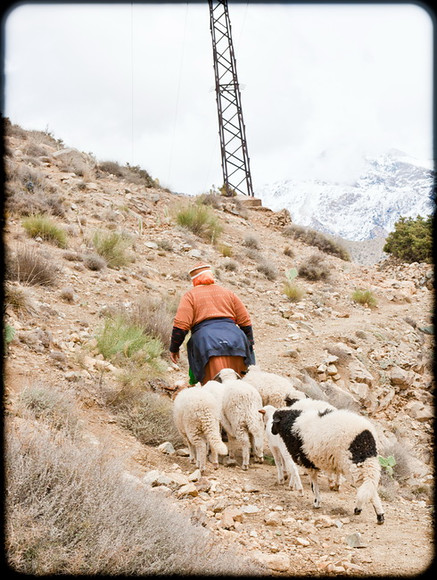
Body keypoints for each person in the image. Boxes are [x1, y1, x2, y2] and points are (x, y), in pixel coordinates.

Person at [169, 263, 255, 385]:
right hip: (237, 340)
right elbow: (245, 321)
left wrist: (174, 348)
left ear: (194, 280)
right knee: (242, 387)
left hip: (206, 343)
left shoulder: (190, 296)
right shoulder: (228, 293)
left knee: (214, 391)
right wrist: (250, 343)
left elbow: (181, 326)